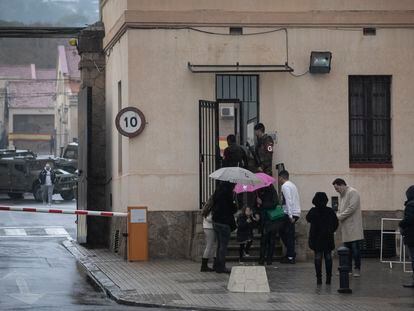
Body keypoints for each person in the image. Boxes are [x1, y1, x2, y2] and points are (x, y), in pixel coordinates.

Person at [332, 178, 364, 277]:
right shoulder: (342, 195)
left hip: (354, 227)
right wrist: (337, 214)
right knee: (347, 251)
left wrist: (339, 216)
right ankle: (348, 269)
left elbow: (352, 208)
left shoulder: (353, 192)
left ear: (342, 185)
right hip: (346, 227)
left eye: (337, 188)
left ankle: (357, 268)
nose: (336, 190)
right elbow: (340, 209)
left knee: (355, 250)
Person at [306, 192, 339, 285]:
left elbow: (307, 219)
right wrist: (331, 230)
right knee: (328, 257)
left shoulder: (313, 211)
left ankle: (319, 278)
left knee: (318, 257)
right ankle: (328, 278)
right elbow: (336, 223)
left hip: (316, 238)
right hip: (327, 237)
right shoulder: (330, 211)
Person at [212, 181, 237, 274]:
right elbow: (233, 209)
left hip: (216, 221)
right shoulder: (228, 194)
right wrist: (234, 203)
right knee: (223, 246)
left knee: (219, 245)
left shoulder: (217, 193)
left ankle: (217, 265)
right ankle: (221, 266)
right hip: (224, 223)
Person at [278, 170, 301, 264]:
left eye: (279, 178)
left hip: (289, 213)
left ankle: (291, 256)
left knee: (287, 235)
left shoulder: (285, 186)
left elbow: (289, 200)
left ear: (281, 177)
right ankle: (290, 254)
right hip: (295, 212)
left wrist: (290, 215)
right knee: (286, 234)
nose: (279, 180)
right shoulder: (292, 185)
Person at [256, 184, 280, 265]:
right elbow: (257, 206)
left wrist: (262, 203)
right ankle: (262, 259)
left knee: (271, 240)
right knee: (264, 240)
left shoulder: (272, 191)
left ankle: (269, 259)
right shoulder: (259, 191)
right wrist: (258, 207)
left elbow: (275, 203)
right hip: (264, 220)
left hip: (271, 219)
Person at [399, 185, 414, 288]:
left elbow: (409, 219)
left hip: (412, 236)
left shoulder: (410, 205)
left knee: (413, 259)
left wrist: (401, 224)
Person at [200, 197, 216, 272]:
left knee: (209, 246)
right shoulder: (210, 209)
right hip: (210, 228)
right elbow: (209, 219)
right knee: (209, 246)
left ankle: (204, 265)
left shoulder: (206, 208)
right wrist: (215, 219)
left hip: (207, 227)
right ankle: (204, 266)